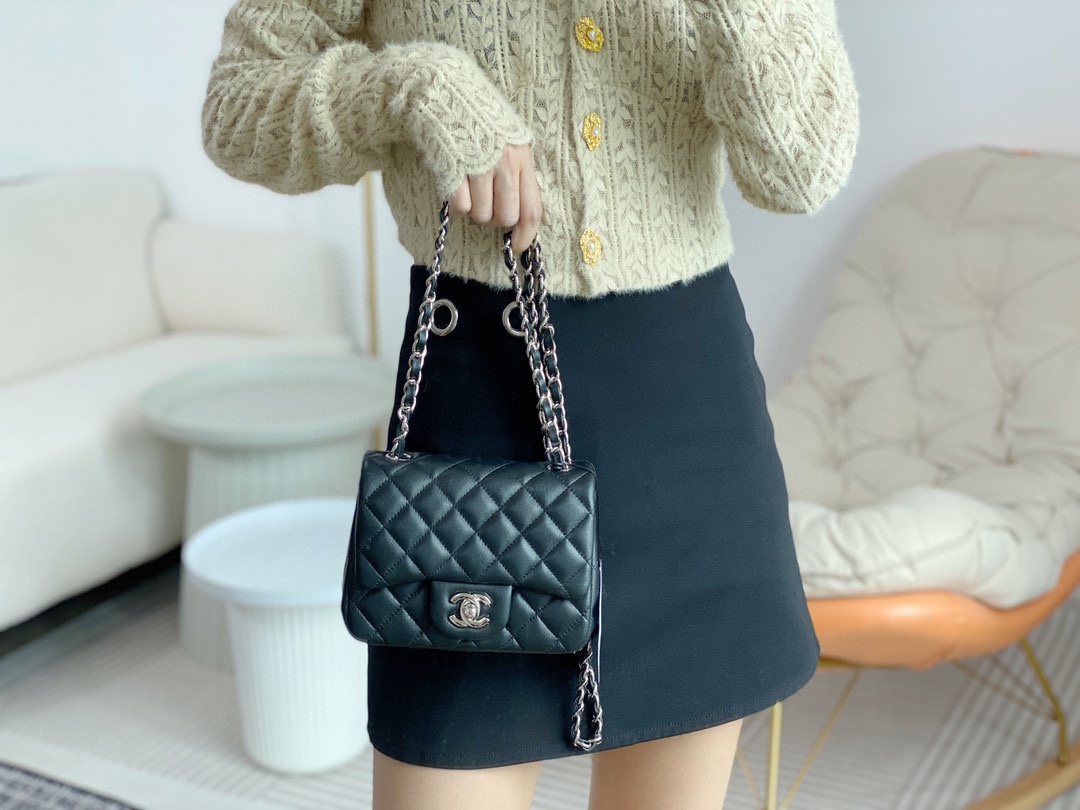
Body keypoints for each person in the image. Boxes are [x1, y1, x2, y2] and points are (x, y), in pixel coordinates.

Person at [202, 1, 859, 807]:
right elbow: (237, 110)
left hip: (687, 415)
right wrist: (416, 88)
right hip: (475, 421)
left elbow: (803, 172)